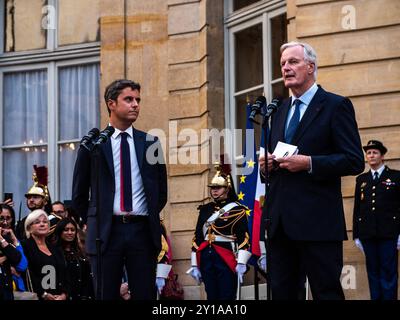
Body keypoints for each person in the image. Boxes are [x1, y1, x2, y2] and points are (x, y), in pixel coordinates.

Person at [259, 41, 364, 300]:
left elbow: (353, 160)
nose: (286, 68)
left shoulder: (335, 105)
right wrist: (266, 167)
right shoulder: (278, 111)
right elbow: (274, 166)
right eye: (283, 63)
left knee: (326, 293)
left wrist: (309, 163)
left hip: (318, 223)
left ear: (311, 66)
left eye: (293, 62)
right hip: (280, 225)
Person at [72, 79, 168, 300]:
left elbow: (160, 191)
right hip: (106, 232)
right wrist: (95, 218)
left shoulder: (150, 142)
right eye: (129, 99)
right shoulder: (94, 144)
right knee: (106, 295)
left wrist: (146, 213)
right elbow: (78, 193)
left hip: (142, 231)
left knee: (145, 294)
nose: (135, 104)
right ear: (111, 104)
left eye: (138, 100)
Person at [187, 162, 251, 300]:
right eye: (212, 188)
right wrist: (194, 263)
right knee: (211, 295)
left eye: (218, 188)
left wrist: (241, 262)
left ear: (227, 189)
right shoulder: (205, 209)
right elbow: (197, 237)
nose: (214, 191)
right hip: (206, 256)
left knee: (227, 295)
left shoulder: (237, 210)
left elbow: (243, 237)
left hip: (225, 256)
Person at [353, 140, 400, 300]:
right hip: (368, 234)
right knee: (372, 273)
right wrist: (356, 234)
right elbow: (357, 209)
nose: (371, 155)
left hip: (389, 234)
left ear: (382, 156)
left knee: (388, 273)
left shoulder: (395, 176)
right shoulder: (362, 179)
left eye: (375, 152)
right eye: (368, 153)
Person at [21, 209, 69, 300]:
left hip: (58, 297)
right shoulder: (24, 246)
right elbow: (27, 273)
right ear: (29, 228)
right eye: (37, 222)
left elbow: (64, 273)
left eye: (45, 222)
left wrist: (64, 294)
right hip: (36, 296)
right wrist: (43, 293)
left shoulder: (56, 249)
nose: (42, 224)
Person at [15, 166, 61, 241]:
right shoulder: (23, 221)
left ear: (45, 201)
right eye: (29, 197)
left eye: (35, 197)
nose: (31, 200)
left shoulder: (55, 221)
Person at [54, 218, 94, 300]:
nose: (70, 233)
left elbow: (87, 277)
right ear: (60, 231)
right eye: (66, 230)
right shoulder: (53, 252)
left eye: (72, 230)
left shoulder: (81, 252)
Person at [0, 204, 28, 294]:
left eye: (8, 218)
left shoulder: (14, 238)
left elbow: (22, 266)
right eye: (1, 218)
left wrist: (15, 240)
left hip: (15, 290)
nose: (5, 222)